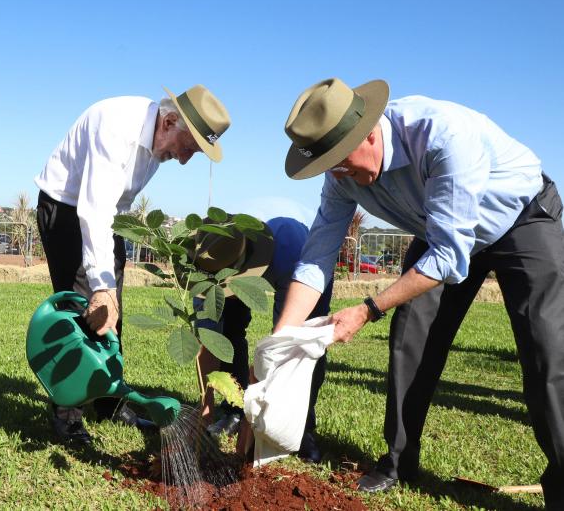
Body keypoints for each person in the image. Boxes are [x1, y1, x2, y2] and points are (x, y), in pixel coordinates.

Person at [276, 77, 564, 507]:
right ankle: (398, 461)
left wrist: (368, 308)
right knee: (411, 336)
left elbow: (450, 257)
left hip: (519, 219)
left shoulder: (442, 135)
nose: (339, 175)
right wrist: (279, 343)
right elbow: (316, 259)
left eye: (341, 161)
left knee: (546, 348)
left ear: (368, 133)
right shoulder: (341, 176)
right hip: (437, 229)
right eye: (329, 166)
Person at [34, 85, 231, 445]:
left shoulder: (159, 142)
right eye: (188, 148)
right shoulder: (116, 126)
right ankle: (67, 413)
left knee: (114, 311)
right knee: (85, 312)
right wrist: (99, 286)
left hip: (108, 219)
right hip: (65, 209)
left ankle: (110, 403)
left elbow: (113, 209)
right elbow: (92, 209)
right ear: (170, 121)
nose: (185, 159)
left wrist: (110, 287)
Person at [193, 217, 333, 463]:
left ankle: (304, 428)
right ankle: (233, 410)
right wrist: (205, 410)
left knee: (305, 344)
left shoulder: (292, 253)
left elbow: (283, 341)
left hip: (305, 268)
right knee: (228, 333)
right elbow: (208, 340)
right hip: (252, 264)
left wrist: (252, 420)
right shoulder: (209, 258)